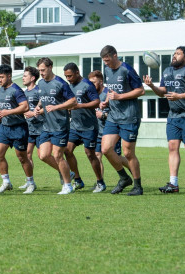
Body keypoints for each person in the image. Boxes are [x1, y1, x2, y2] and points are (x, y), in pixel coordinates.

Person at [99, 45, 144, 196]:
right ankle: (124, 178)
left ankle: (137, 186)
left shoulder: (127, 69)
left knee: (128, 153)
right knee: (105, 149)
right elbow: (110, 89)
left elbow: (141, 90)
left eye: (107, 60)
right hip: (113, 116)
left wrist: (119, 97)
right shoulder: (106, 70)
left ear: (115, 56)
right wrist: (106, 101)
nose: (106, 63)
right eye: (104, 61)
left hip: (129, 116)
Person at [143, 46, 185, 193]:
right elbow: (162, 92)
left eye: (178, 54)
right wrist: (152, 86)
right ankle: (173, 184)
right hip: (173, 116)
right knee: (172, 148)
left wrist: (179, 96)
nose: (174, 56)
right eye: (174, 53)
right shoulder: (167, 71)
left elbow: (177, 94)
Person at [34, 57, 77, 195]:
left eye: (43, 70)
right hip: (47, 126)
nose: (41, 73)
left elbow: (73, 101)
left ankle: (68, 185)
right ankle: (66, 172)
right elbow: (43, 97)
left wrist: (57, 107)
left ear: (50, 67)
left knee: (58, 155)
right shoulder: (40, 83)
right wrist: (37, 107)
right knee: (43, 155)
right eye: (39, 70)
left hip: (60, 126)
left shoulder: (60, 83)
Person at [0, 64, 35, 194]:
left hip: (18, 128)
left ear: (9, 76)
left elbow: (25, 107)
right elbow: (4, 107)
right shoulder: (1, 90)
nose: (0, 80)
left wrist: (8, 112)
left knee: (22, 157)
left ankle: (31, 182)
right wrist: (0, 114)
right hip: (4, 128)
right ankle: (6, 182)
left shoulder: (16, 90)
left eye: (2, 77)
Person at [63, 63, 102, 192]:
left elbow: (96, 102)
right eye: (66, 76)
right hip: (74, 126)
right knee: (67, 150)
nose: (68, 78)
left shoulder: (87, 85)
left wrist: (79, 106)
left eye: (70, 76)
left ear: (77, 72)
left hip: (89, 126)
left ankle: (100, 182)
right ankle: (78, 180)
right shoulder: (69, 86)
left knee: (90, 154)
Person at [88, 70, 126, 192]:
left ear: (101, 81)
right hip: (98, 132)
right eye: (90, 83)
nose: (92, 85)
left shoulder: (108, 93)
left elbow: (117, 111)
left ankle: (133, 172)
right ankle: (100, 182)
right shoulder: (92, 95)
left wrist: (104, 115)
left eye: (94, 82)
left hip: (111, 132)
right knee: (97, 155)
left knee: (117, 157)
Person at [21, 66, 43, 190]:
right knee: (27, 155)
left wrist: (34, 112)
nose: (23, 78)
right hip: (29, 128)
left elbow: (44, 104)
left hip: (41, 128)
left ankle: (64, 173)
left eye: (25, 76)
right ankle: (30, 181)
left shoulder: (39, 91)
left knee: (42, 156)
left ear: (32, 78)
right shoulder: (24, 93)